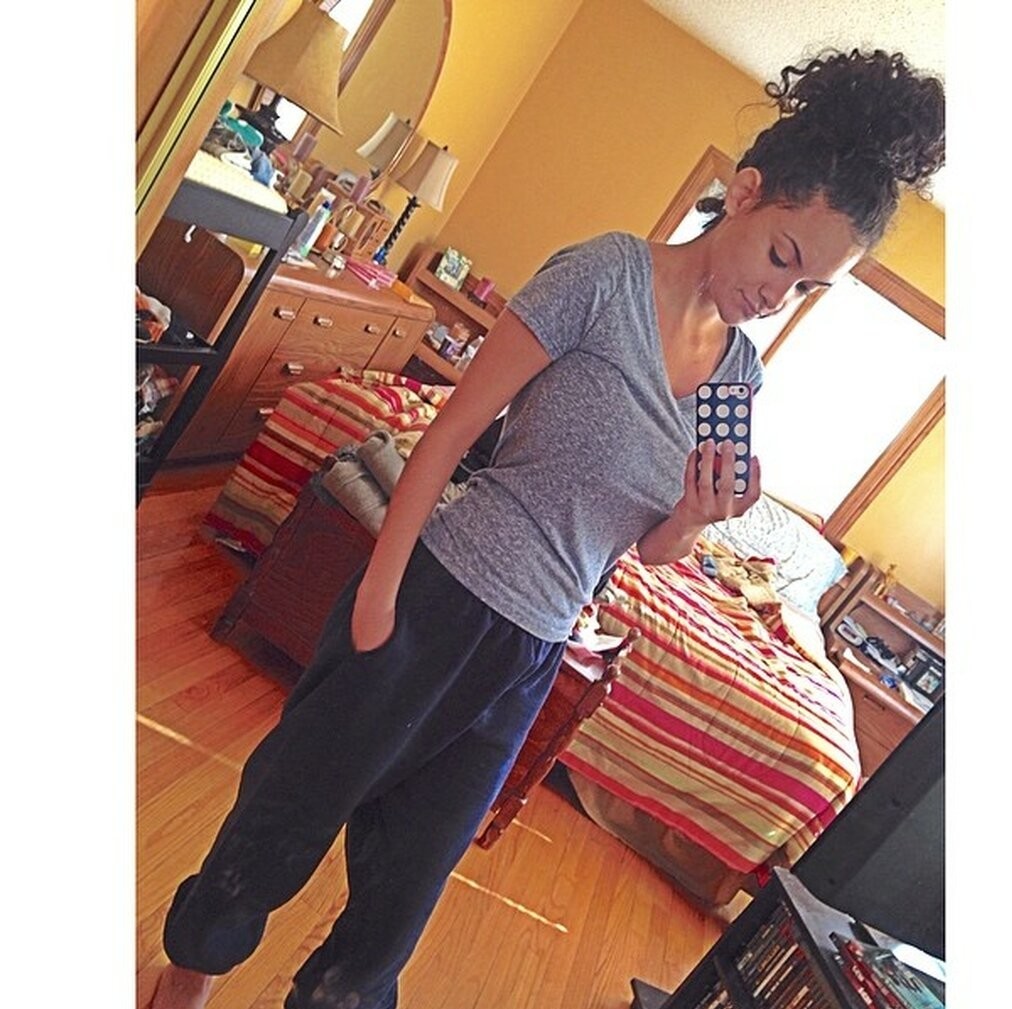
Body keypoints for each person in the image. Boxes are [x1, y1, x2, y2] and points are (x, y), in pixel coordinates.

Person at [151, 47, 945, 1009]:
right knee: (288, 812)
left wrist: (697, 514)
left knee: (398, 905)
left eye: (807, 287)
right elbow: (452, 430)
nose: (778, 296)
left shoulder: (739, 379)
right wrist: (379, 587)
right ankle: (188, 974)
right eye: (783, 256)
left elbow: (650, 549)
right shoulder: (604, 275)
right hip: (437, 595)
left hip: (534, 653)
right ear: (744, 194)